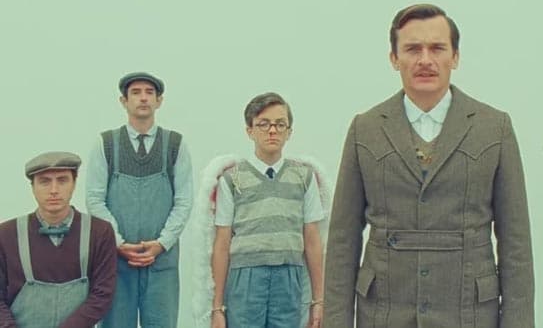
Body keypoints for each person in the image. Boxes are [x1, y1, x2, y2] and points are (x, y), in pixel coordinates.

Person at [323, 3, 534, 328]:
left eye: (437, 48)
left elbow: (516, 242)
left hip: (468, 313)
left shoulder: (494, 128)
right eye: (412, 49)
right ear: (394, 58)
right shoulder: (364, 129)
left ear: (455, 57)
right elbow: (342, 240)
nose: (425, 60)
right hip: (384, 312)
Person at [192, 92, 328, 328]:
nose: (272, 130)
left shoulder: (304, 177)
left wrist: (318, 300)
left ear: (289, 132)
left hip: (289, 278)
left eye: (280, 124)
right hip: (245, 279)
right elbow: (222, 243)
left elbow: (313, 239)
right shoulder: (231, 178)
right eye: (263, 124)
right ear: (250, 131)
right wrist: (216, 308)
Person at [85, 72, 193, 328]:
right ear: (123, 101)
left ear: (159, 101)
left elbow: (184, 201)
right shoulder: (105, 143)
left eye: (149, 92)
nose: (143, 98)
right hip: (115, 260)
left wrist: (162, 243)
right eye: (135, 92)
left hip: (161, 260)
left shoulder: (175, 144)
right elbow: (94, 199)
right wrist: (118, 243)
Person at [0, 151, 117, 327]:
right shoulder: (6, 234)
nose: (54, 190)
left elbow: (102, 294)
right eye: (44, 181)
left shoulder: (100, 232)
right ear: (33, 187)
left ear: (74, 183)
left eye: (62, 180)